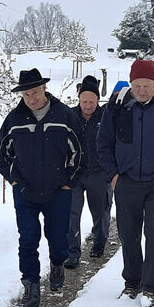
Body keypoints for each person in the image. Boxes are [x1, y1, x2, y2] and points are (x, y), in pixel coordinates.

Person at [97, 59, 154, 307]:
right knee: (128, 234)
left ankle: (150, 288)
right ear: (131, 83)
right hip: (126, 182)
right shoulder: (118, 105)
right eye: (137, 84)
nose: (142, 90)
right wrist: (113, 176)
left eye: (147, 85)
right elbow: (103, 143)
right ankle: (132, 282)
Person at [0, 68, 83, 307]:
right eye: (25, 94)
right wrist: (13, 180)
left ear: (44, 88)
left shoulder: (63, 115)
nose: (31, 98)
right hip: (25, 192)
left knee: (58, 239)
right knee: (28, 239)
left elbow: (80, 151)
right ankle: (31, 291)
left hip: (58, 192)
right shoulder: (14, 119)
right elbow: (1, 152)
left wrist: (68, 182)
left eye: (34, 92)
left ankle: (57, 264)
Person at [65, 75, 110, 268]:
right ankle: (73, 252)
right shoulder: (70, 116)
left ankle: (99, 243)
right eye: (84, 101)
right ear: (79, 99)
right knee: (71, 213)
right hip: (75, 174)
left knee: (100, 212)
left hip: (99, 173)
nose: (88, 105)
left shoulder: (106, 117)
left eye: (92, 101)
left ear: (97, 100)